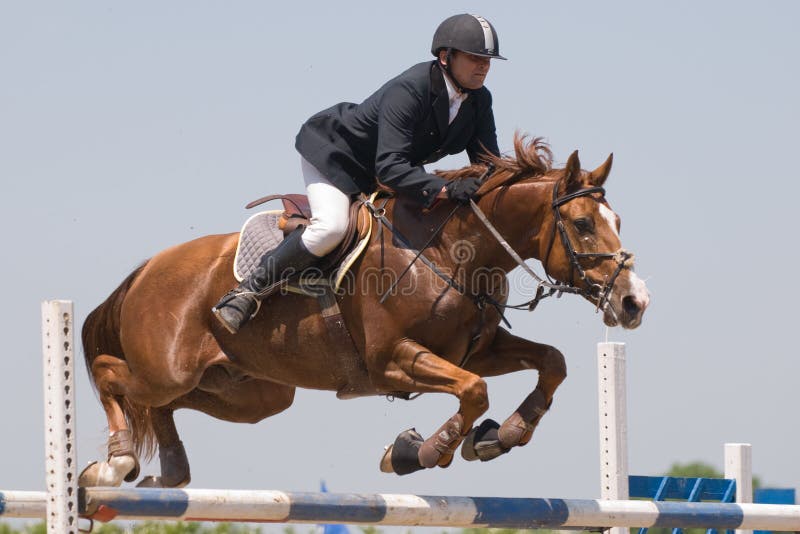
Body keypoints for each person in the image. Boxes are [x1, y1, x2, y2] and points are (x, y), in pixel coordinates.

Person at [213, 13, 506, 334]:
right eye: (475, 58)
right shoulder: (411, 88)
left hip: (384, 169)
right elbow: (391, 167)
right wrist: (447, 189)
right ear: (445, 57)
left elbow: (487, 162)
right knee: (331, 228)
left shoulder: (479, 100)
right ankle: (248, 291)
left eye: (488, 60)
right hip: (337, 156)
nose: (483, 67)